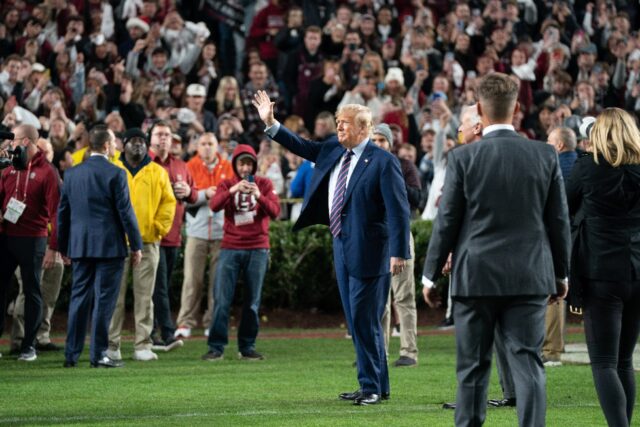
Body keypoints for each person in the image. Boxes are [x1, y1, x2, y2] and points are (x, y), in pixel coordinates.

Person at [422, 74, 571, 426]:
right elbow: (558, 222)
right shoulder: (545, 154)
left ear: (482, 114)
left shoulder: (462, 158)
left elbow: (447, 222)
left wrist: (429, 277)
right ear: (517, 109)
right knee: (529, 365)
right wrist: (561, 274)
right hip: (530, 275)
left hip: (475, 277)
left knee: (472, 370)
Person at [253, 90, 410, 406]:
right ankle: (376, 384)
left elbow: (398, 209)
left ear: (363, 128)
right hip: (341, 244)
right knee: (356, 321)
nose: (338, 129)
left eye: (345, 124)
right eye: (338, 123)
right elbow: (303, 146)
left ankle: (370, 387)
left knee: (365, 321)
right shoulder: (333, 150)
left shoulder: (383, 161)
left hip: (371, 250)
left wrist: (399, 251)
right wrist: (271, 123)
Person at [439, 104, 516, 410]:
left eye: (462, 124)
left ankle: (474, 401)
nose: (458, 130)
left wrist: (447, 251)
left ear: (477, 128)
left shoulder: (469, 159)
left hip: (482, 261)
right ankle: (513, 393)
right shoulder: (497, 154)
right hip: (509, 259)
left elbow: (461, 216)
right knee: (501, 336)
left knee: (478, 336)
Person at [566, 108, 640, 427]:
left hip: (599, 273)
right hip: (637, 271)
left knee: (605, 362)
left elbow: (563, 207)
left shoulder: (587, 168)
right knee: (624, 361)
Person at [58, 125, 142, 368]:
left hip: (80, 246)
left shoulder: (72, 174)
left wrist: (63, 247)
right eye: (114, 141)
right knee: (104, 301)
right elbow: (126, 213)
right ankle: (99, 354)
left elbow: (62, 214)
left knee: (78, 299)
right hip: (109, 246)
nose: (116, 145)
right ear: (106, 145)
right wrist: (136, 245)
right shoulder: (116, 174)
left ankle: (71, 355)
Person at [202, 144, 280, 361]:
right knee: (222, 299)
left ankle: (247, 346)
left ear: (254, 165)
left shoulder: (264, 184)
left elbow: (275, 212)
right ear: (235, 165)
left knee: (252, 301)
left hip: (258, 247)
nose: (245, 168)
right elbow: (214, 205)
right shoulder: (227, 183)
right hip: (231, 246)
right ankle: (216, 347)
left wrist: (259, 196)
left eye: (249, 163)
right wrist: (233, 190)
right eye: (241, 163)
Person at [107, 128, 176, 362]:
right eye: (132, 141)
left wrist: (157, 230)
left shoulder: (157, 171)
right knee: (114, 296)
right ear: (122, 145)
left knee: (145, 297)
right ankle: (111, 344)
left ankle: (143, 344)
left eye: (142, 142)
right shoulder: (113, 168)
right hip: (116, 243)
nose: (138, 145)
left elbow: (169, 204)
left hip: (147, 242)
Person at [0, 124, 61, 362]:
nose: (10, 146)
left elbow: (57, 213)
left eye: (13, 141)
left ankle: (29, 346)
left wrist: (53, 247)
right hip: (6, 237)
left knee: (33, 290)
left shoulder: (48, 172)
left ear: (25, 141)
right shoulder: (8, 168)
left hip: (34, 239)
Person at [371, 124, 420, 368]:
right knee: (379, 298)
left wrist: (392, 179)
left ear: (390, 143)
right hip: (377, 236)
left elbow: (417, 198)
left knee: (403, 295)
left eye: (382, 140)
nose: (378, 144)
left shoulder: (404, 165)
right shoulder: (365, 165)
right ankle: (380, 351)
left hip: (399, 233)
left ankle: (409, 351)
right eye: (375, 140)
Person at [175, 133, 233, 338]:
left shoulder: (228, 166)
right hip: (196, 231)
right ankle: (185, 322)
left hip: (221, 231)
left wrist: (214, 195)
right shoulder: (189, 166)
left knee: (217, 281)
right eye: (203, 144)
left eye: (211, 144)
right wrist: (204, 195)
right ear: (197, 147)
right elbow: (183, 197)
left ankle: (213, 322)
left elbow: (232, 195)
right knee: (192, 280)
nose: (207, 147)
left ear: (217, 146)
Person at [149, 120, 196, 351]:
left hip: (174, 235)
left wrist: (188, 192)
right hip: (152, 236)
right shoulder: (145, 163)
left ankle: (152, 332)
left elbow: (194, 194)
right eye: (159, 134)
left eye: (167, 135)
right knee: (158, 288)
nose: (163, 139)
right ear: (151, 138)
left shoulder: (181, 165)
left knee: (162, 288)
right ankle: (166, 334)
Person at [544, 126, 579, 367]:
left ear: (559, 145)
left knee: (554, 290)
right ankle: (558, 344)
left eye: (549, 141)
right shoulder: (581, 163)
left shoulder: (558, 167)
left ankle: (551, 349)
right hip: (580, 236)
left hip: (562, 237)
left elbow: (557, 209)